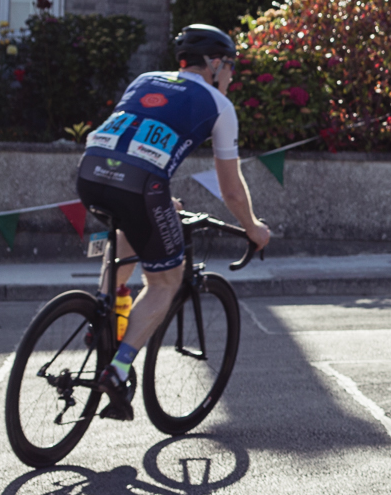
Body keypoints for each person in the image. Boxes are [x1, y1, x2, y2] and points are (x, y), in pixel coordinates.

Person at [75, 24, 272, 421]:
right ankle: (118, 368)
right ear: (215, 64)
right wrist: (253, 228)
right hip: (140, 185)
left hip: (91, 171)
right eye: (230, 67)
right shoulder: (219, 105)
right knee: (167, 280)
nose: (231, 76)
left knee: (127, 234)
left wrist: (159, 198)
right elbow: (231, 189)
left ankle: (102, 321)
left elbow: (131, 141)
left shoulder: (146, 78)